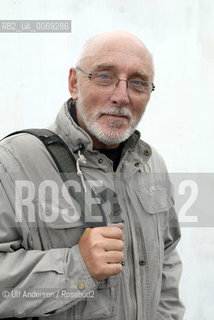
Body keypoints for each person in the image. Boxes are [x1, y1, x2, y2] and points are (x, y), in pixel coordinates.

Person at [0, 30, 184, 319]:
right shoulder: (13, 160)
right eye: (104, 76)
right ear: (74, 83)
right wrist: (77, 266)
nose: (121, 96)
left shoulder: (152, 164)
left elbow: (168, 256)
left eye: (138, 82)